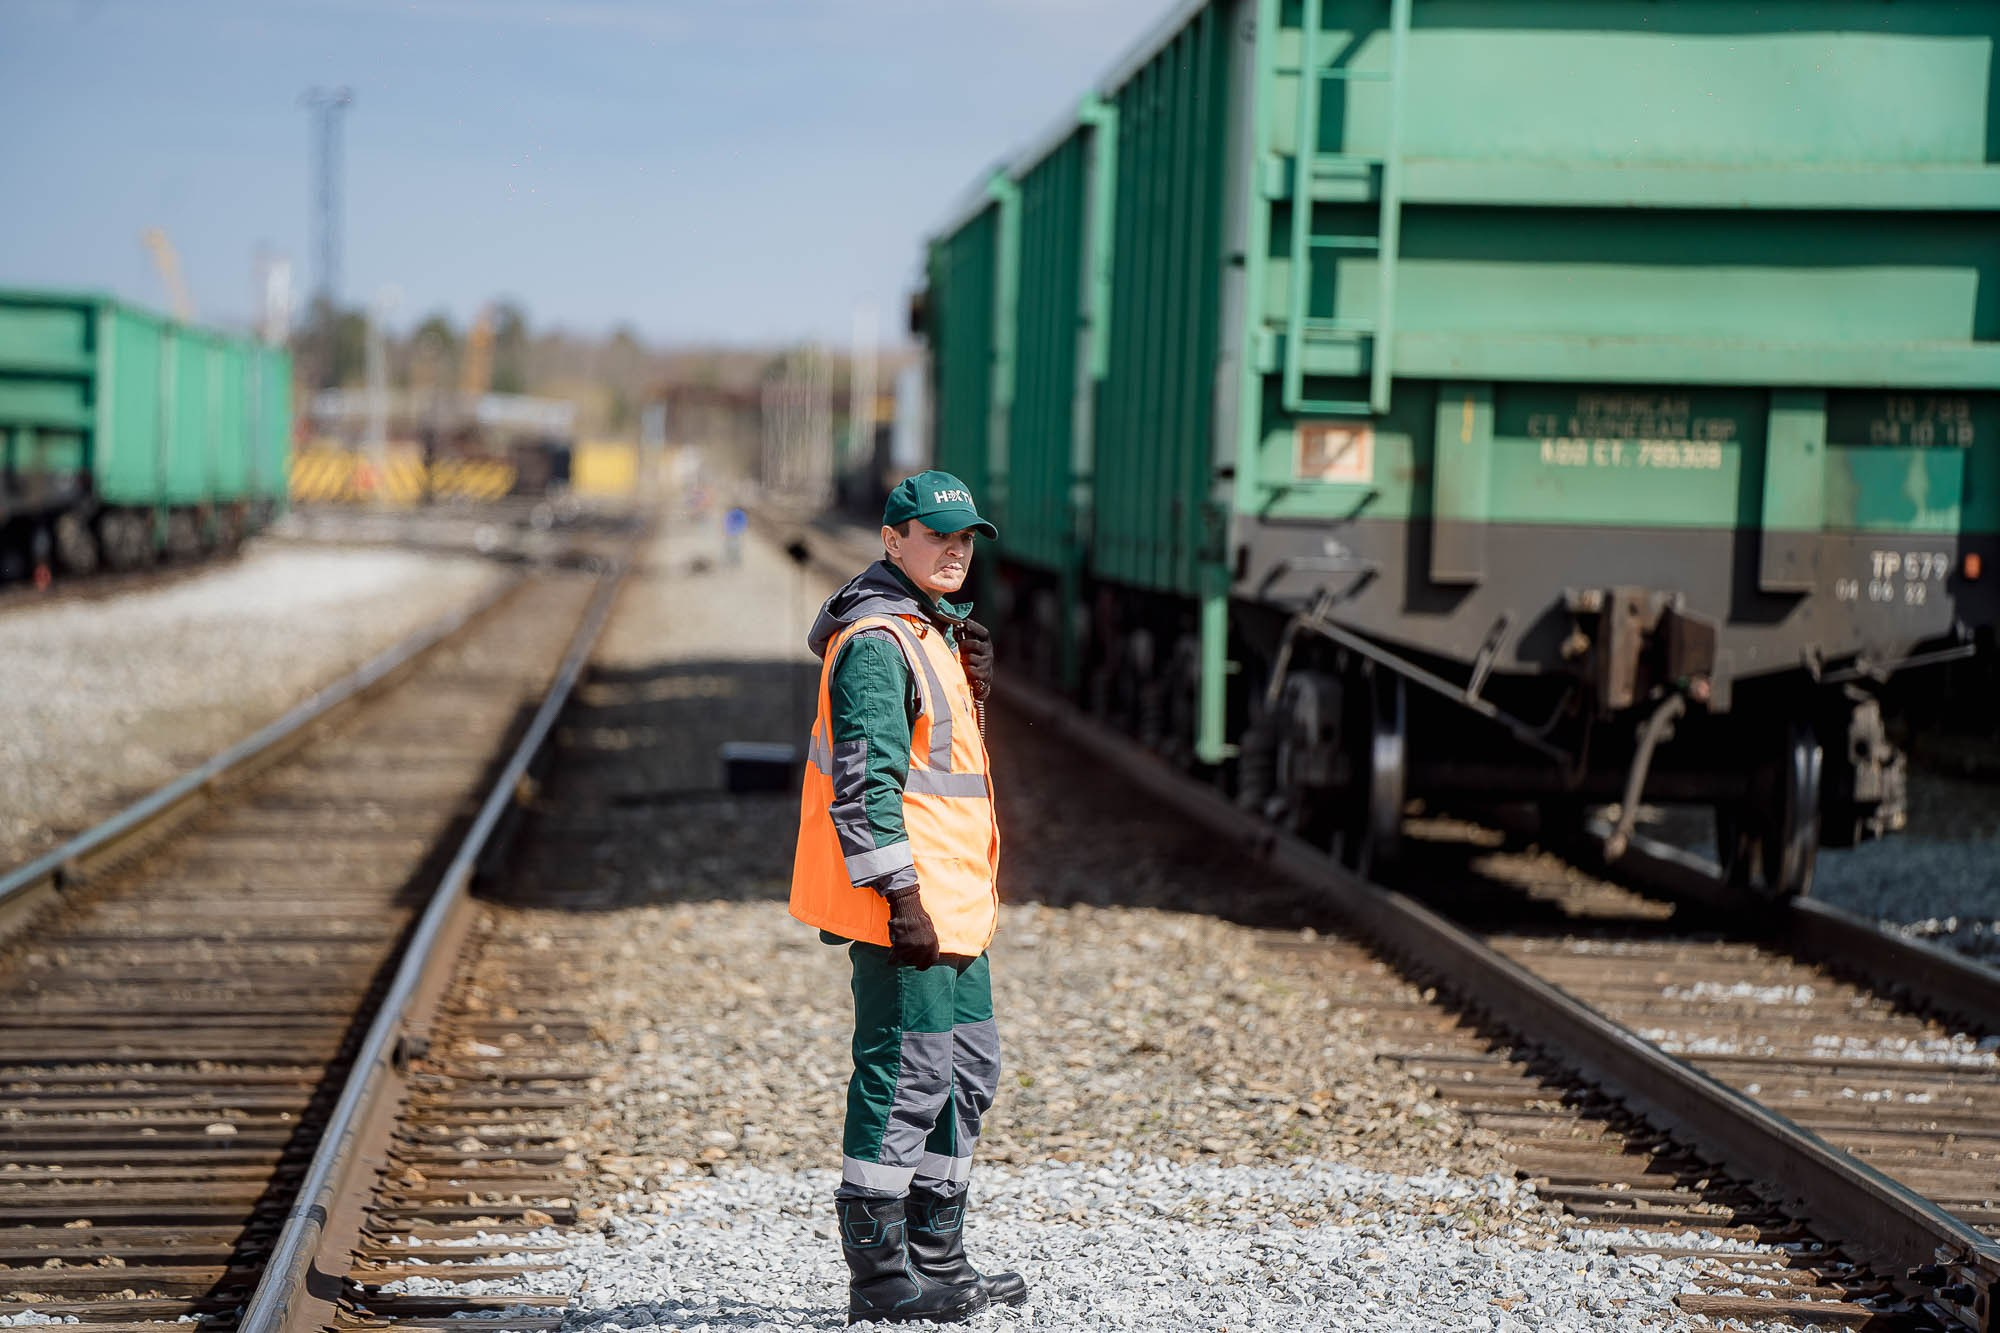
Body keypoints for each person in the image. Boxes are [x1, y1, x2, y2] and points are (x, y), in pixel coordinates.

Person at [789, 470, 1026, 1325]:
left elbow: (945, 773)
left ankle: (938, 1256)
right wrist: (900, 899)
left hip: (959, 905)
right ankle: (883, 1279)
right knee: (903, 1079)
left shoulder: (932, 631)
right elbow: (865, 787)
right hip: (910, 908)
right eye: (938, 536)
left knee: (966, 1073)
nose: (956, 550)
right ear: (893, 541)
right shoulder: (878, 642)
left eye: (965, 538)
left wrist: (976, 691)